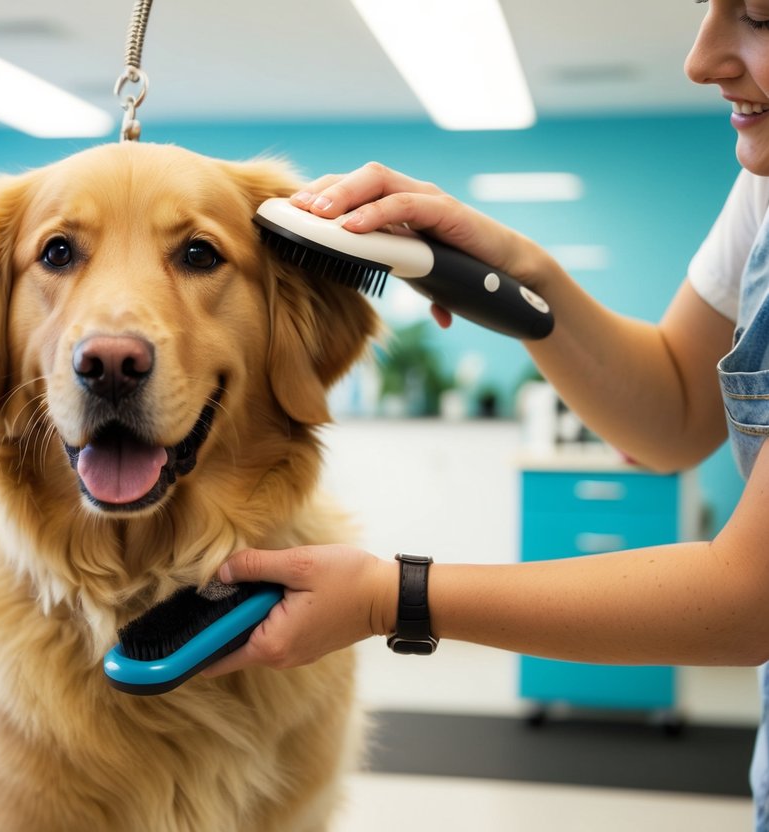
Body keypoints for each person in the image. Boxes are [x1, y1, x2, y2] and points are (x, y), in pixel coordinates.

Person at [204, 0, 769, 825]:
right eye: (708, 6)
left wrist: (387, 598)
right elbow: (674, 410)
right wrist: (509, 265)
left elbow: (750, 599)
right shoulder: (760, 184)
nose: (701, 57)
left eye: (758, 15)